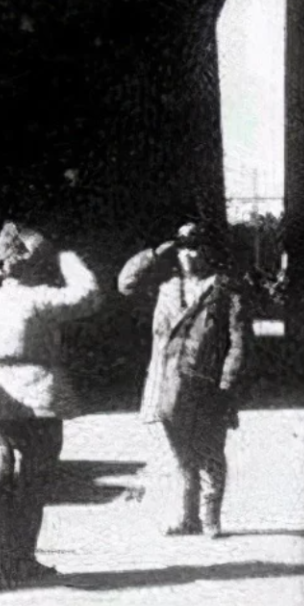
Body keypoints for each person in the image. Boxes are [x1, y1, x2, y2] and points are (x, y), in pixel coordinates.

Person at [0, 222, 102, 588]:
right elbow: (89, 295)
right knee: (33, 482)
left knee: (1, 483)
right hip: (41, 396)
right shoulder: (41, 299)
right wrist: (69, 259)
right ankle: (24, 557)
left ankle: (7, 563)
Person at [118, 222, 249, 538]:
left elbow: (238, 342)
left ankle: (211, 517)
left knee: (210, 451)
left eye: (196, 248)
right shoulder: (167, 288)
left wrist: (227, 383)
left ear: (208, 251)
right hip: (168, 383)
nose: (189, 255)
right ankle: (188, 518)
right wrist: (154, 254)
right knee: (182, 455)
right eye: (183, 248)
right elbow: (126, 284)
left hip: (208, 384)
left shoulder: (224, 292)